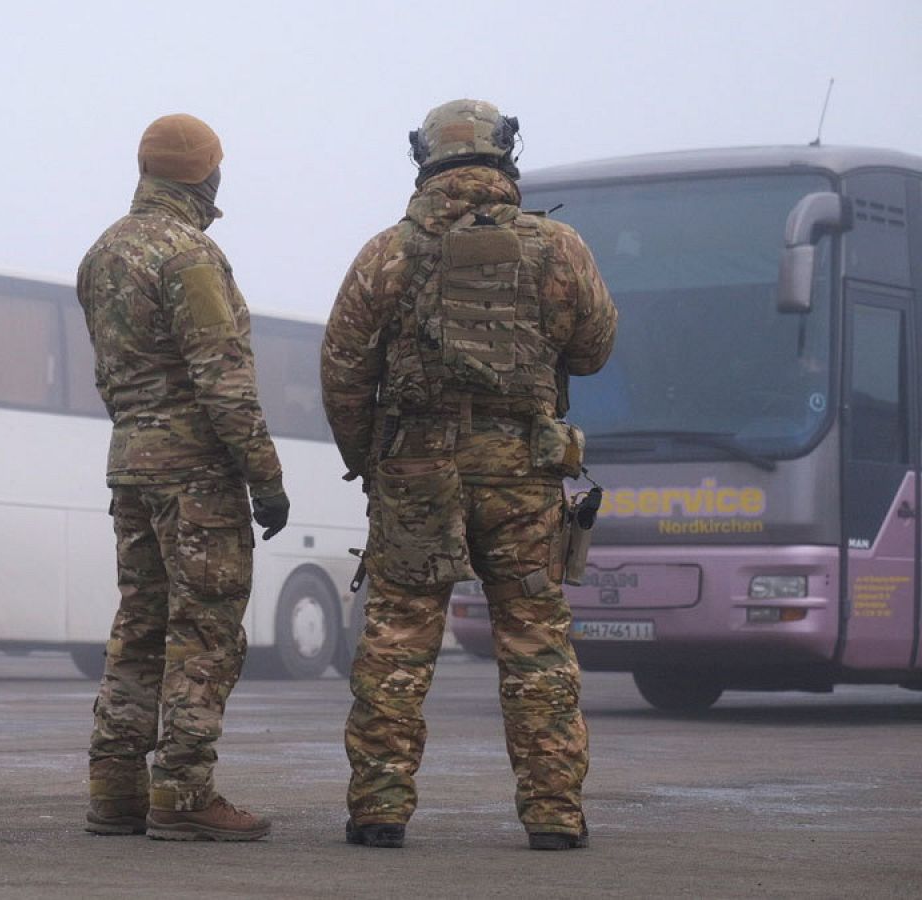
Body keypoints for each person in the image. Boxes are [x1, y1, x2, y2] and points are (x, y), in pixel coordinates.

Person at [320, 99, 617, 851]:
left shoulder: (387, 253)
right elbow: (594, 348)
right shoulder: (559, 247)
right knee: (534, 642)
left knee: (397, 641)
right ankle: (552, 814)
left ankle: (380, 810)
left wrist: (370, 462)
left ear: (425, 159)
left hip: (417, 475)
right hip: (523, 475)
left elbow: (344, 373)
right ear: (504, 156)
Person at [78, 113, 289, 842]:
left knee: (140, 623)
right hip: (194, 475)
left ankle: (114, 789)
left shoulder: (103, 253)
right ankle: (184, 793)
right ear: (204, 173)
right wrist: (265, 476)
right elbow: (222, 378)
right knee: (204, 629)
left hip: (131, 464)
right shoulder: (189, 256)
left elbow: (114, 374)